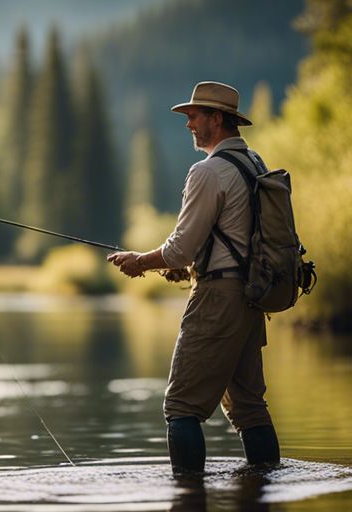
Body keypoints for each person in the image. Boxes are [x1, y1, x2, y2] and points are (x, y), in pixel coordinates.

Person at [107, 81, 280, 474]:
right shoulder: (254, 165)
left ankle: (188, 496)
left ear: (216, 119)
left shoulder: (209, 171)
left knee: (181, 408)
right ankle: (266, 491)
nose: (188, 125)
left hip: (218, 299)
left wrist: (140, 261)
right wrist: (185, 266)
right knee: (250, 407)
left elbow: (180, 248)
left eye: (194, 116)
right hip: (251, 298)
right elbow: (231, 238)